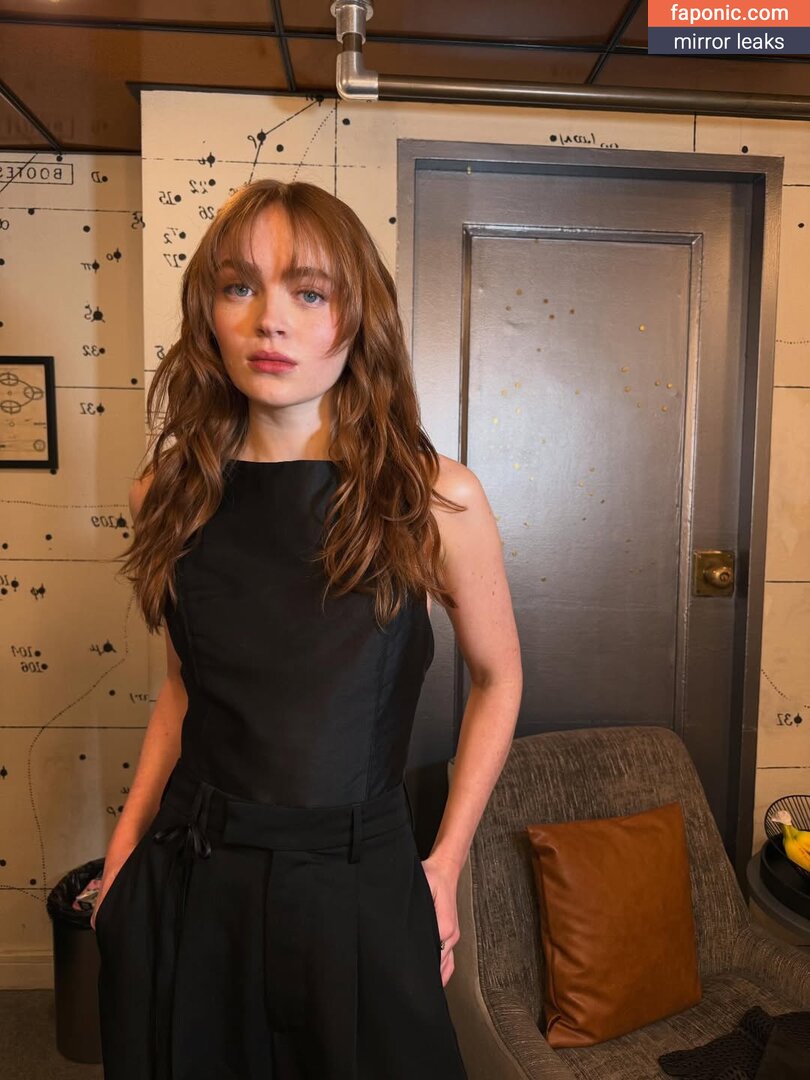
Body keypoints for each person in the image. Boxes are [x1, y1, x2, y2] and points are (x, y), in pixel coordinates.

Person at [93, 178, 522, 1079]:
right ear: (209, 313)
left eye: (310, 292)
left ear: (357, 317)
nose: (269, 321)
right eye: (239, 286)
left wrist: (445, 864)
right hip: (194, 873)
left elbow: (499, 679)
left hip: (359, 881)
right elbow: (183, 690)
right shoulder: (165, 493)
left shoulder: (434, 497)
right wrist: (124, 851)